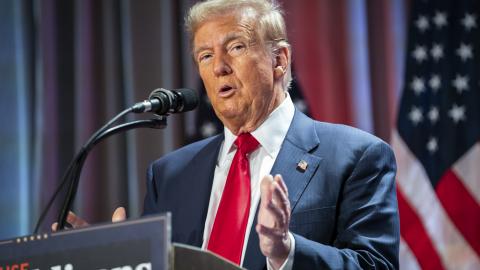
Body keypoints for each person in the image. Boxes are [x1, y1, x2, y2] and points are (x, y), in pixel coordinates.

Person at [60, 0, 400, 269]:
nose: (218, 66)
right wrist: (114, 260)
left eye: (235, 47)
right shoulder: (169, 174)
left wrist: (287, 250)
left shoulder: (356, 157)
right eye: (205, 55)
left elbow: (375, 265)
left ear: (280, 60)